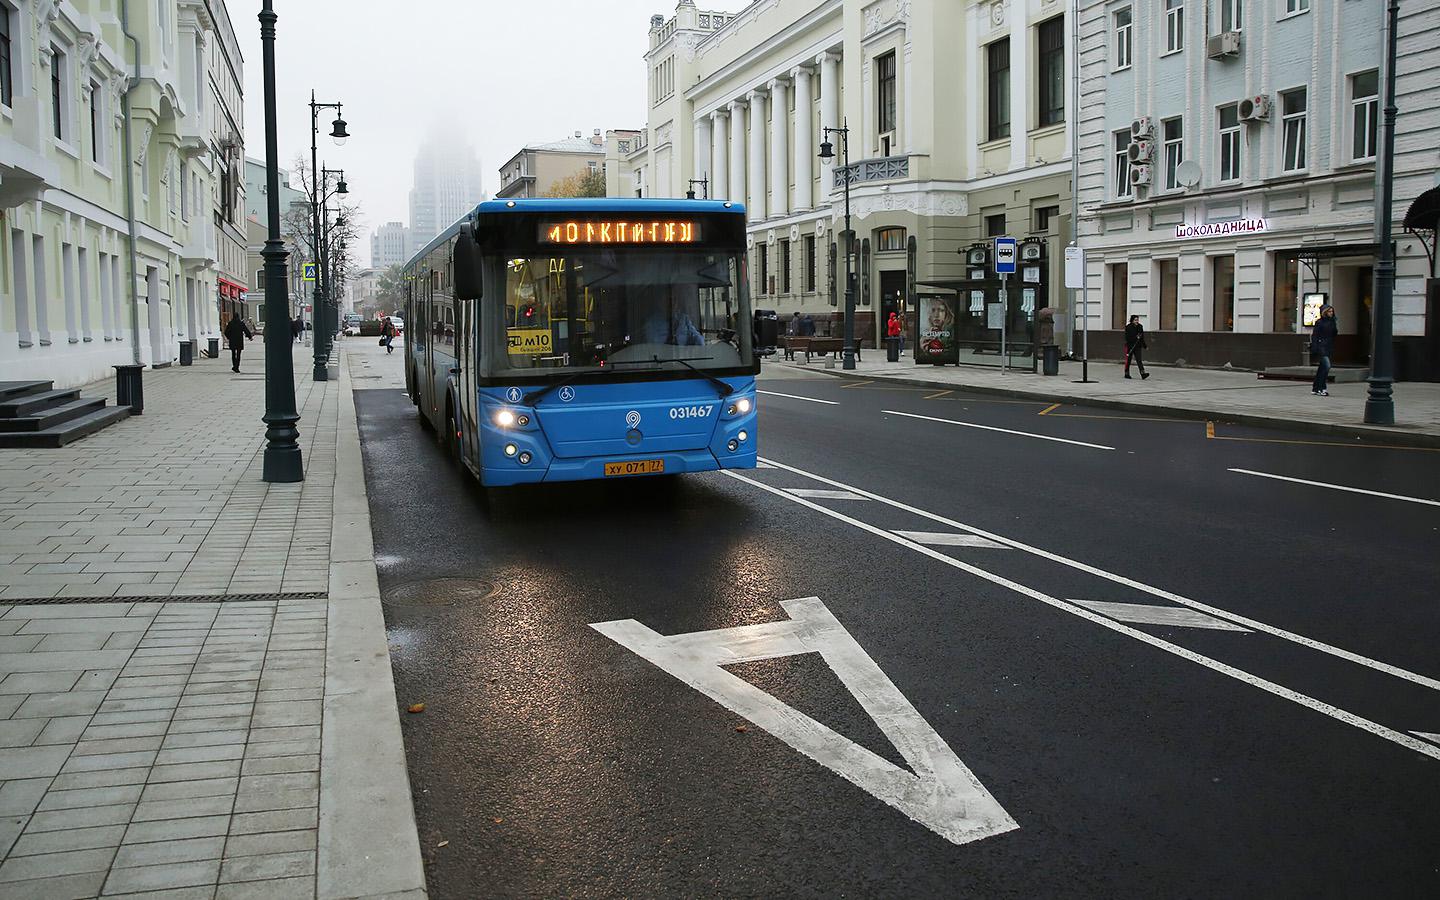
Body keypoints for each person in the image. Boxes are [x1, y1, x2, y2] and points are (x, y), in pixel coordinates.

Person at [1310, 304, 1338, 396]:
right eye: (1329, 311)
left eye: (1332, 311)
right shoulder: (1320, 322)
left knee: (1322, 368)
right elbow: (1315, 335)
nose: (1331, 313)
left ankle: (1316, 388)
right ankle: (1322, 388)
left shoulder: (1332, 322)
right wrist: (1315, 348)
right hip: (1321, 347)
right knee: (1327, 366)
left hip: (1328, 346)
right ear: (1325, 312)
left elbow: (1334, 334)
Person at [1124, 314, 1149, 380]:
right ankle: (1127, 373)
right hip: (1130, 346)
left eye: (1137, 320)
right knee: (1128, 360)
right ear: (1132, 320)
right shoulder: (1128, 327)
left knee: (1139, 360)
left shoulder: (1140, 326)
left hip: (1138, 346)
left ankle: (1143, 373)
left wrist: (1145, 346)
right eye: (1135, 320)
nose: (1137, 321)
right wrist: (1135, 337)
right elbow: (1127, 337)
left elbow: (1142, 337)